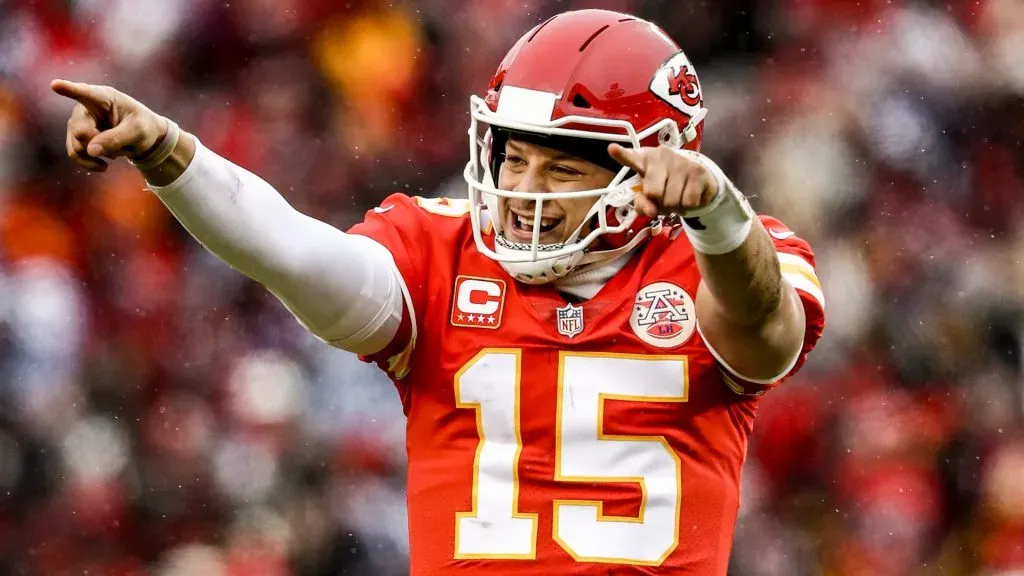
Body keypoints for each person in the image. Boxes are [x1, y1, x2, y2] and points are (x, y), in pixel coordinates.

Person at [52, 8, 824, 575]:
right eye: (514, 159)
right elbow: (292, 253)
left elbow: (766, 334)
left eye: (562, 167)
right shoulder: (438, 250)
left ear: (650, 167)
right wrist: (170, 153)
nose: (523, 190)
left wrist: (720, 218)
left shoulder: (726, 257)